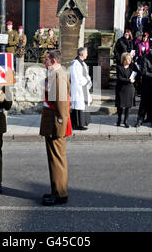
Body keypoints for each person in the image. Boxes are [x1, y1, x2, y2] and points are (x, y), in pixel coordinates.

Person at [40, 50, 71, 206]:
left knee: (57, 159)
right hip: (51, 122)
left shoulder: (59, 76)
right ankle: (57, 190)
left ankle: (60, 194)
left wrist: (59, 127)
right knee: (54, 159)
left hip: (55, 124)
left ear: (53, 61)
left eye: (46, 59)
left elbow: (62, 106)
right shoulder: (54, 75)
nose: (44, 62)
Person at [135, 47, 152, 128]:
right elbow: (143, 71)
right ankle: (140, 119)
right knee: (144, 103)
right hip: (146, 83)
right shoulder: (145, 58)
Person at [70, 47, 92, 130]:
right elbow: (78, 77)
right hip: (79, 88)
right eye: (86, 53)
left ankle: (82, 123)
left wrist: (88, 80)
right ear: (82, 54)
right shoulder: (75, 64)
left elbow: (86, 74)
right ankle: (78, 124)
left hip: (83, 88)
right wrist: (87, 81)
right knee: (78, 106)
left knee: (82, 105)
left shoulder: (82, 63)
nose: (87, 54)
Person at [115, 52, 137, 127]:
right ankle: (119, 119)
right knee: (120, 105)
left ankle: (126, 121)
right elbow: (120, 78)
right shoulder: (119, 67)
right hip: (121, 88)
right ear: (123, 60)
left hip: (130, 88)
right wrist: (129, 80)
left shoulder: (132, 67)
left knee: (128, 106)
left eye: (129, 59)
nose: (128, 61)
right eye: (127, 59)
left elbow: (137, 74)